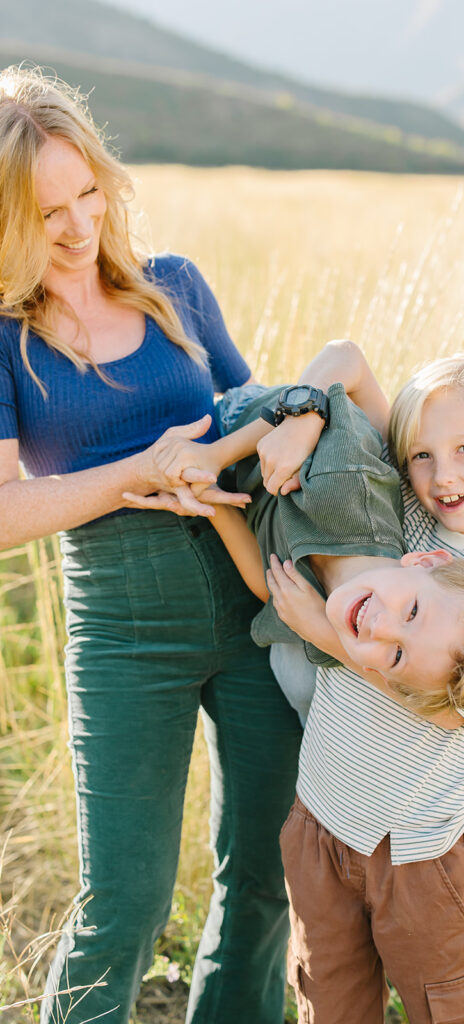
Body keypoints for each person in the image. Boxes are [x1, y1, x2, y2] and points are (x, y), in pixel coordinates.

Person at [0, 65, 304, 1024]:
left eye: (88, 191)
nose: (78, 225)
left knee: (262, 877)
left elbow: (243, 419)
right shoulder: (5, 339)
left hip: (254, 605)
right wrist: (142, 471)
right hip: (124, 632)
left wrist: (273, 430)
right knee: (125, 903)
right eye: (46, 208)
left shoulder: (175, 287)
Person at [261, 350, 464, 1023]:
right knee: (330, 1000)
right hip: (322, 820)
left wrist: (326, 634)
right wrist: (306, 417)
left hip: (420, 845)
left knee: (444, 1004)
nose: (441, 474)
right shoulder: (408, 519)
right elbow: (348, 363)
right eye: (420, 454)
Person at [129, 375, 464, 722]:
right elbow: (319, 396)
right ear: (422, 561)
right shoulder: (349, 485)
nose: (381, 628)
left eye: (397, 656)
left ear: (380, 676)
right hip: (242, 420)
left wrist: (211, 501)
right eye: (412, 611)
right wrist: (216, 455)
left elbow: (269, 587)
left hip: (224, 482)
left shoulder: (327, 635)